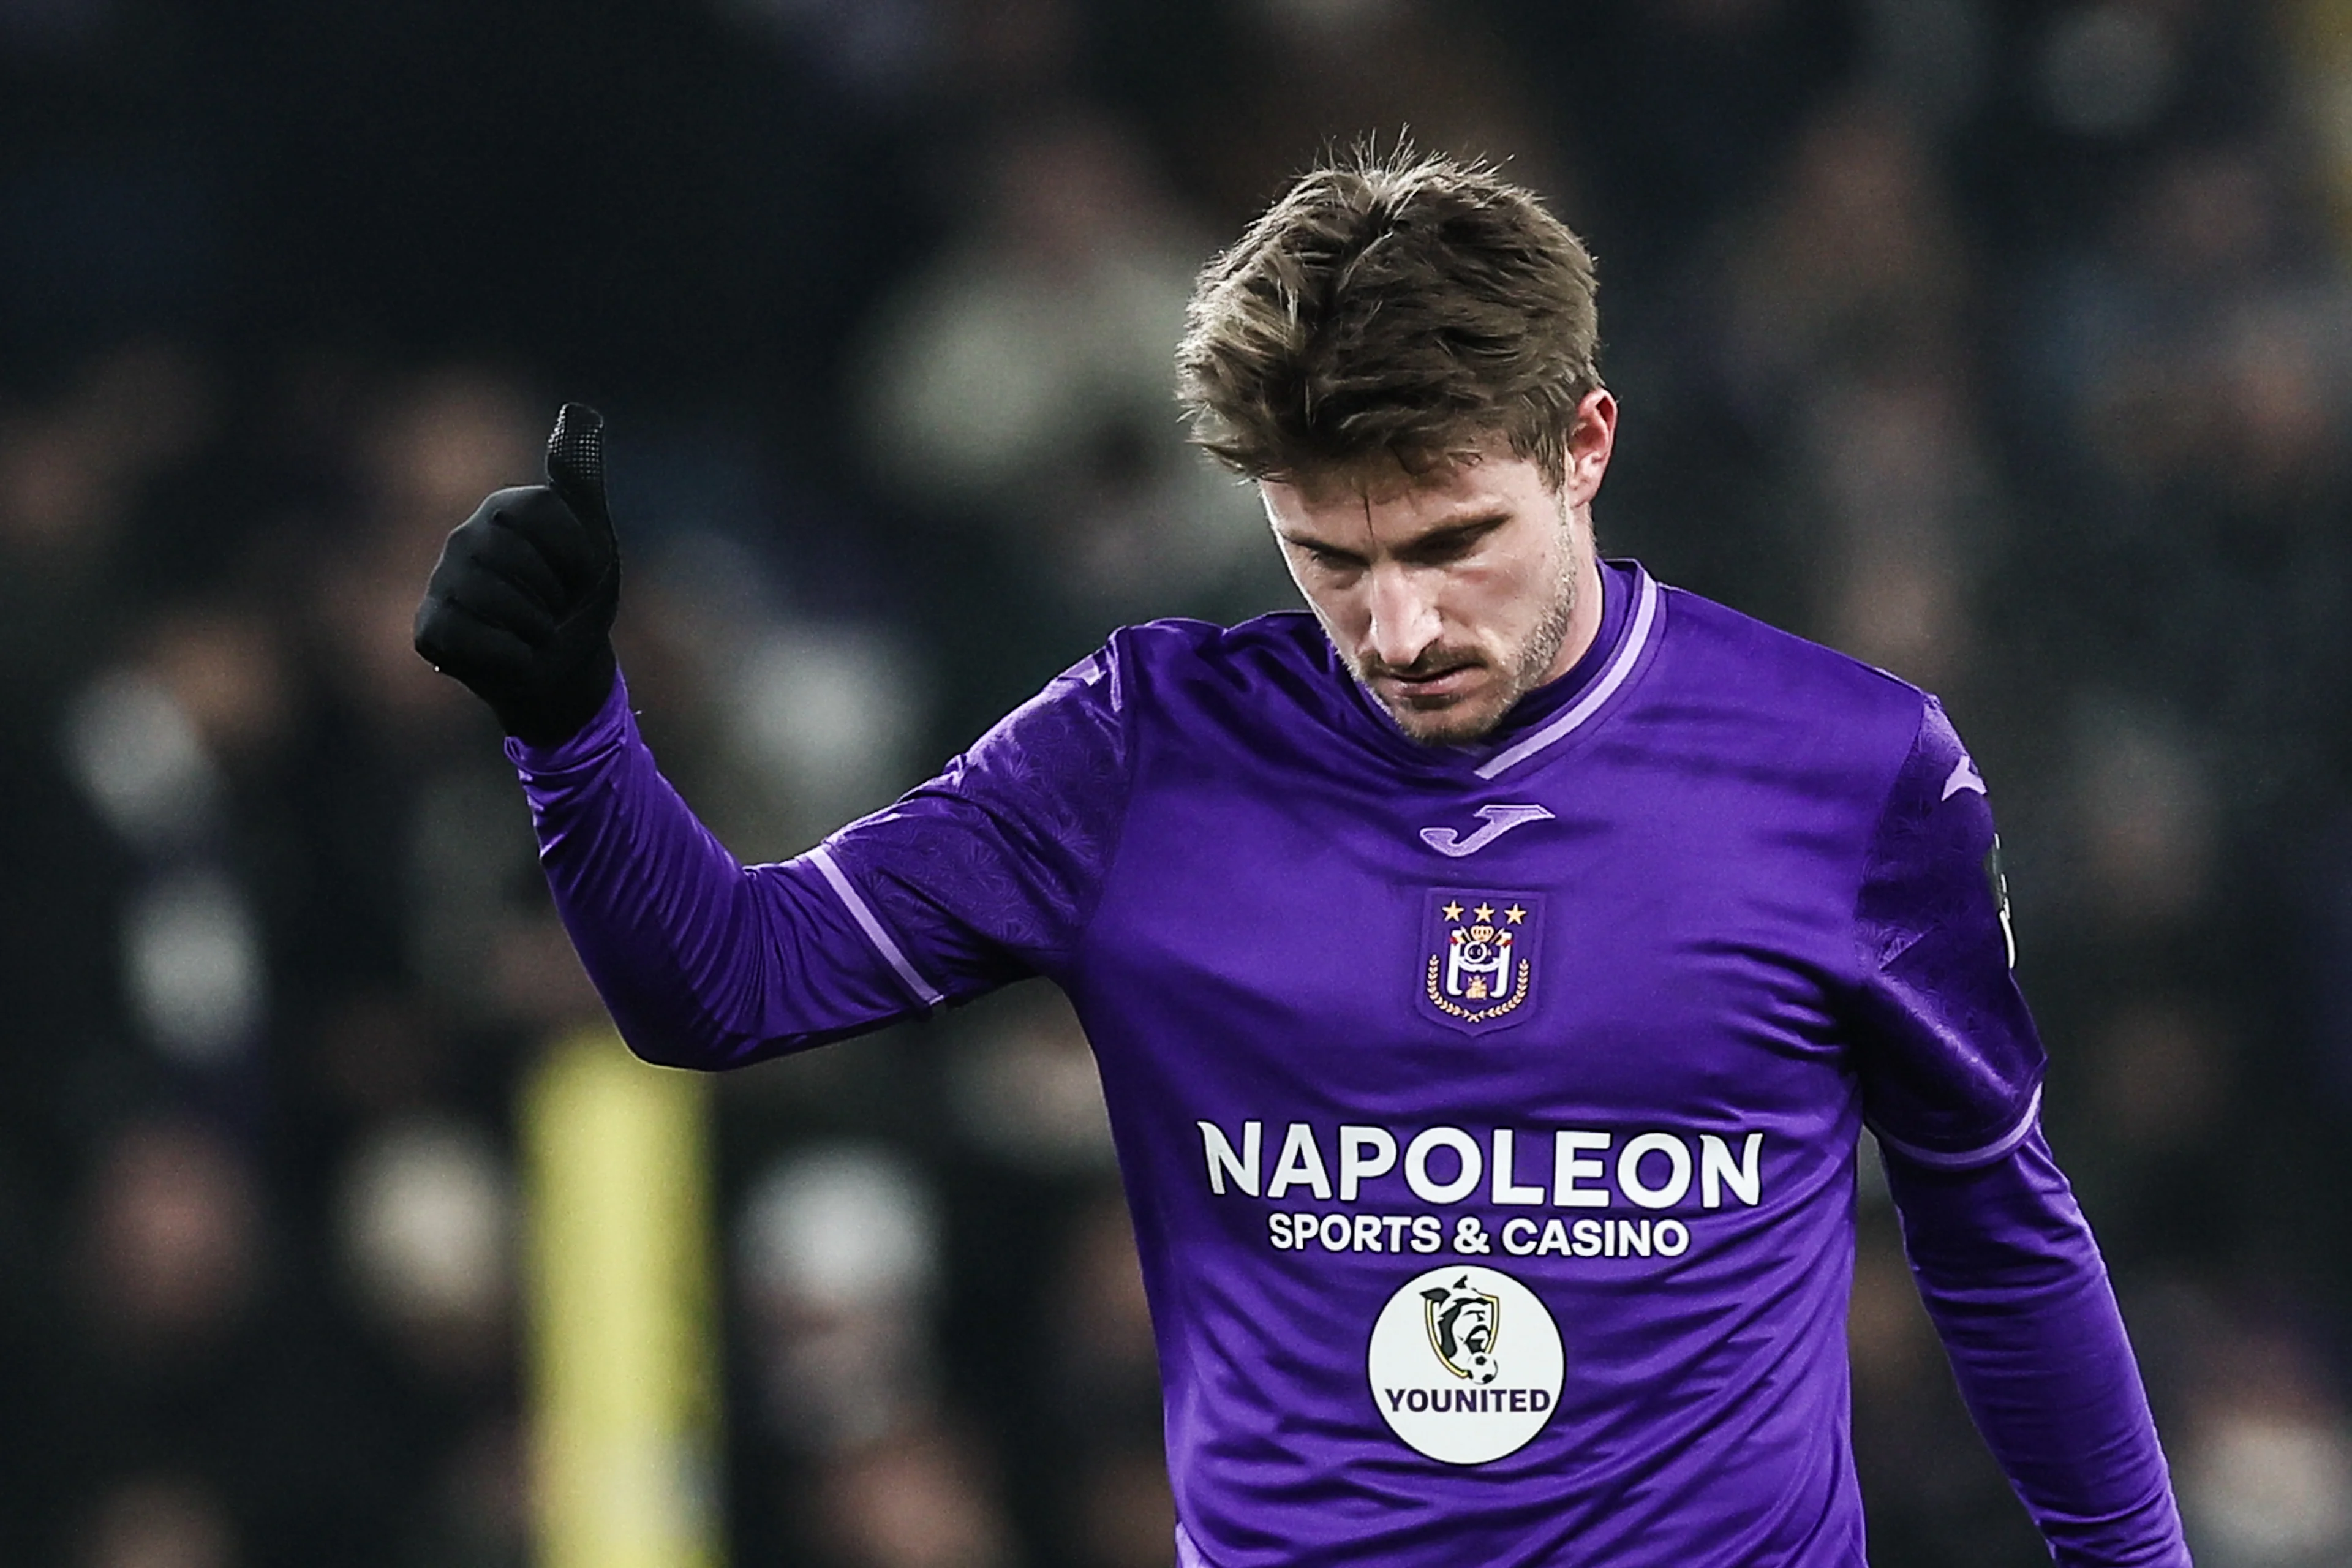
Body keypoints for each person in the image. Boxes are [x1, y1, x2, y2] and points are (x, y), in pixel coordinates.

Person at [413, 149, 2188, 1566]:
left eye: (1452, 540)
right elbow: (722, 989)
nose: (1398, 624)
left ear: (1585, 445)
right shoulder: (1134, 753)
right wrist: (575, 728)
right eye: (1327, 558)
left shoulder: (1853, 771)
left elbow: (1996, 1222)